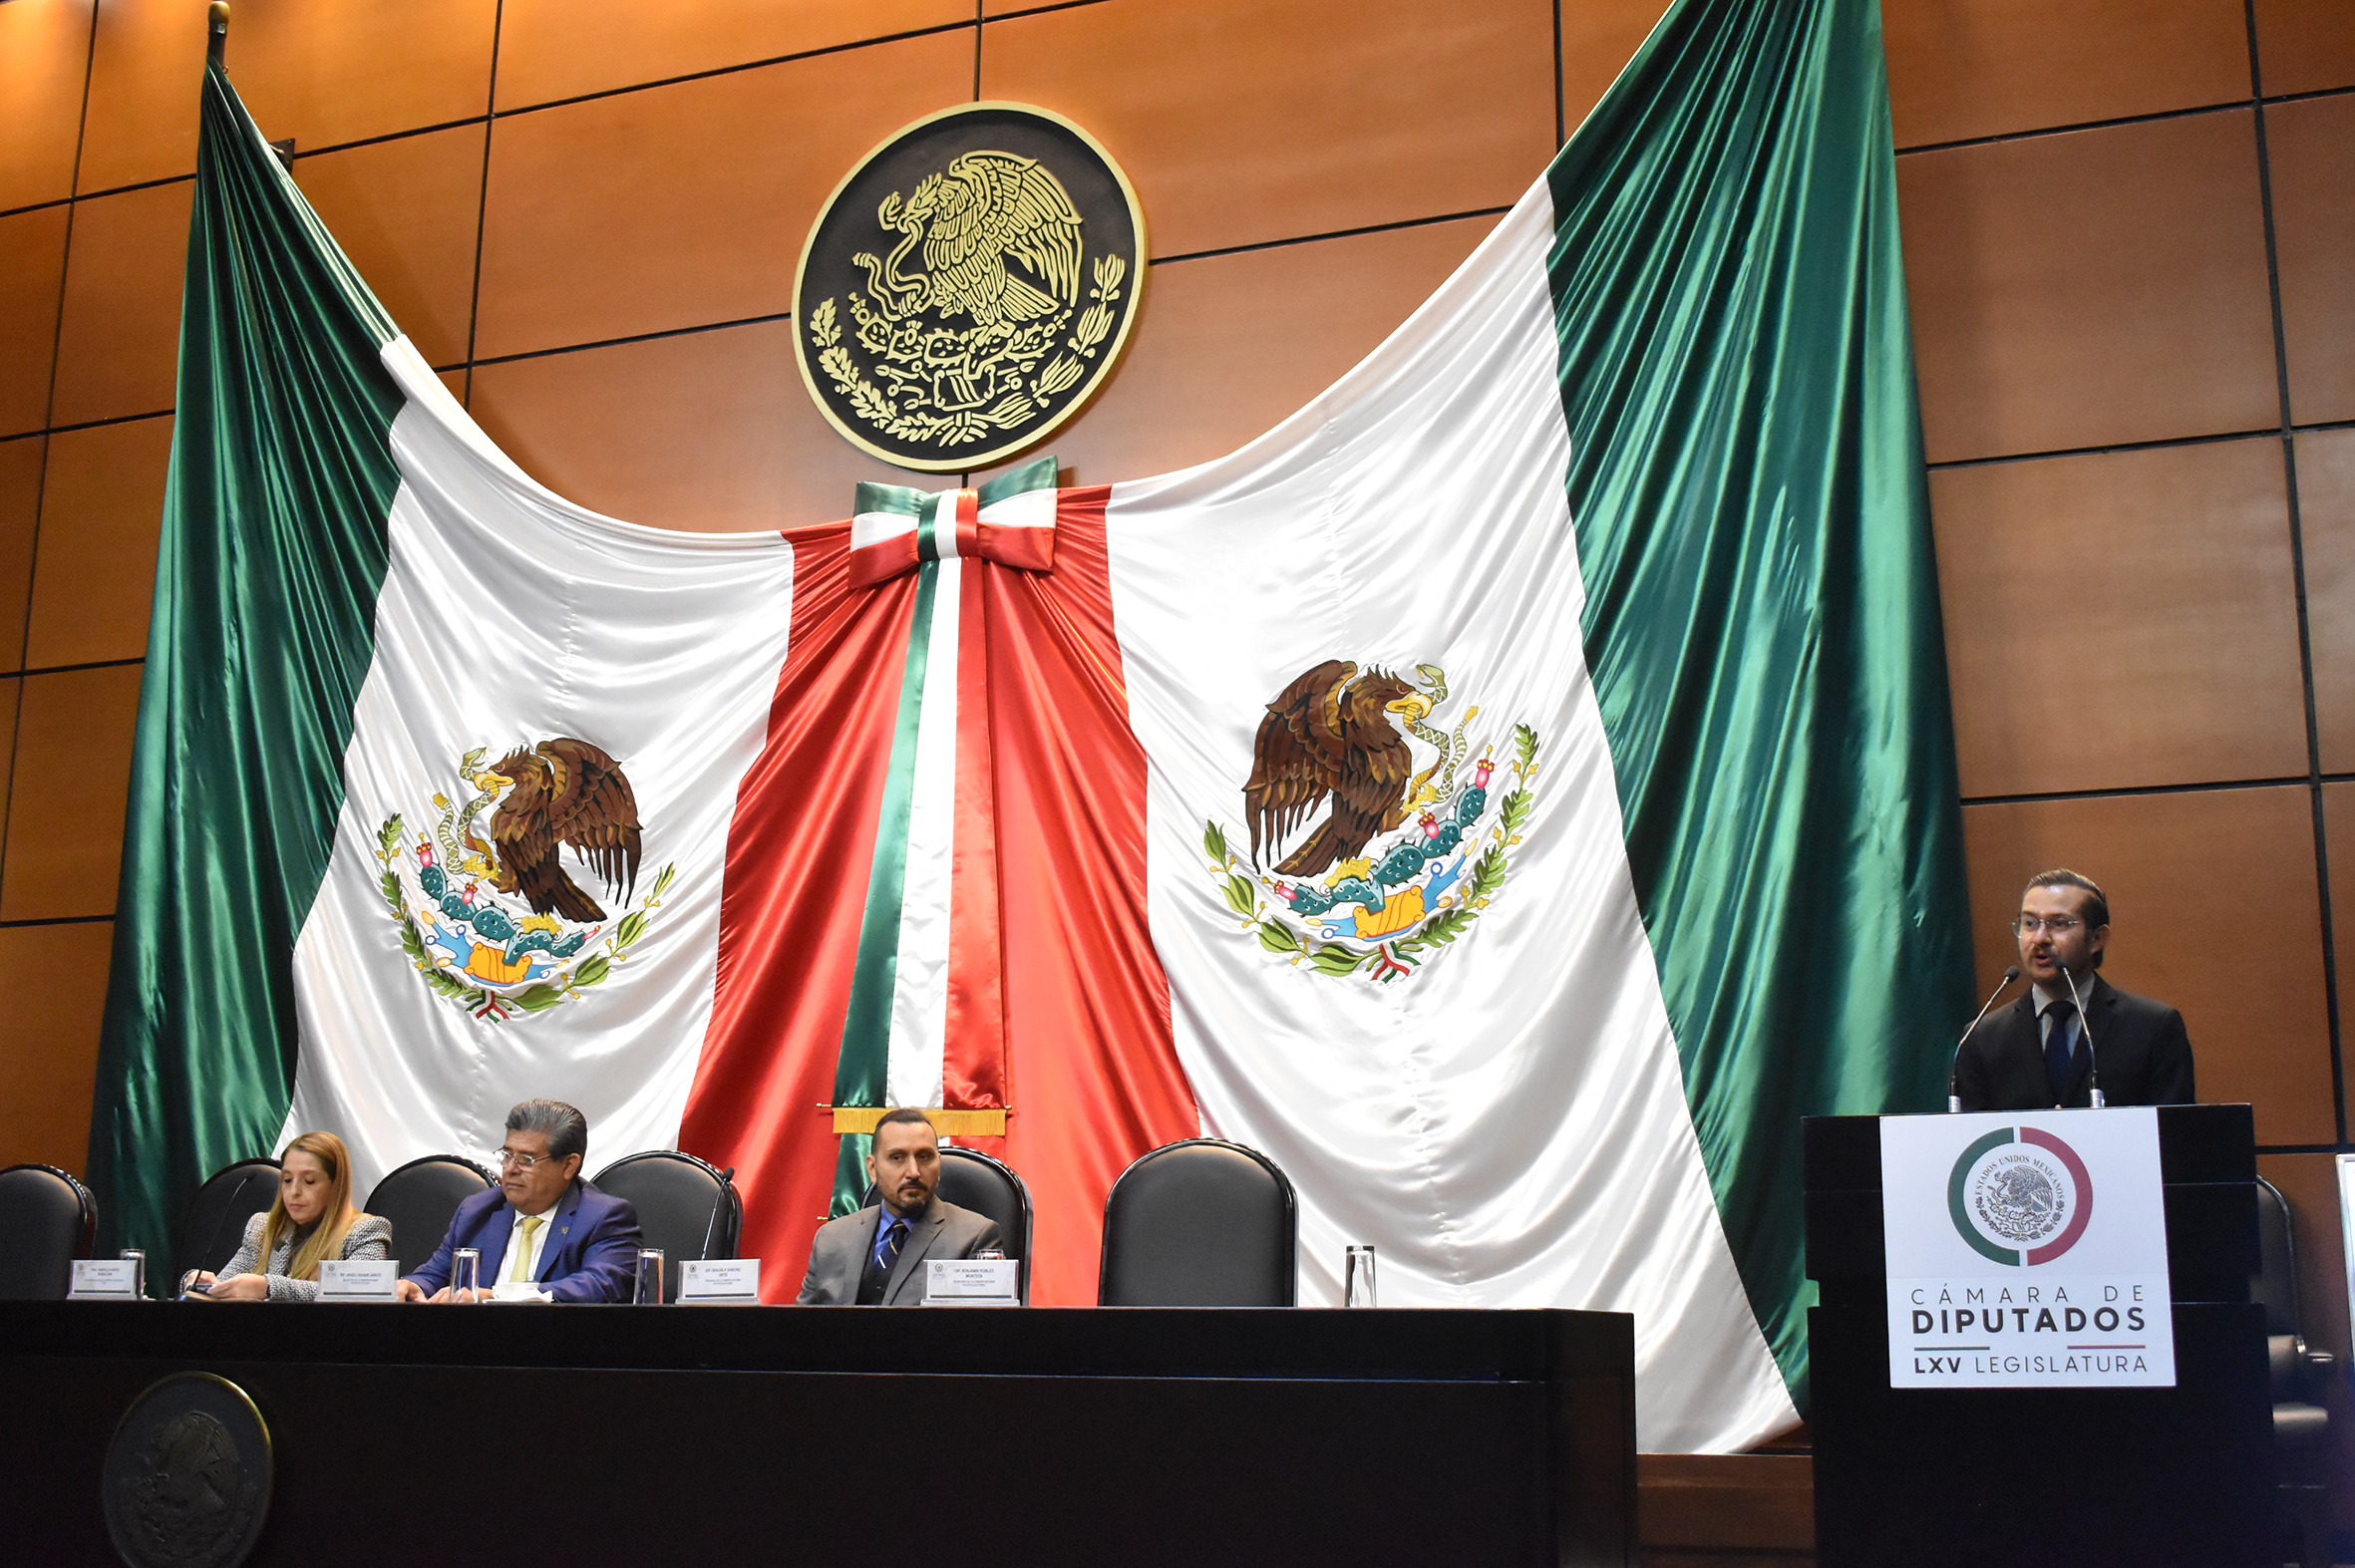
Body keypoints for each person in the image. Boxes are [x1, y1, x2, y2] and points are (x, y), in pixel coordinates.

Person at [1955, 868, 2195, 1111]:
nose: (2040, 938)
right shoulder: (1981, 1038)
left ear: (2097, 939)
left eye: (2059, 923)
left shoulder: (2152, 1028)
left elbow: (2174, 1129)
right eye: (2030, 923)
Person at [396, 1098, 641, 1303]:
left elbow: (599, 1285)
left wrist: (497, 1297)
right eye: (507, 1155)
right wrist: (413, 1285)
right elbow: (436, 1273)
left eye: (526, 1160)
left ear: (569, 1165)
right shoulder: (477, 1211)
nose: (511, 1169)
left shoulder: (603, 1217)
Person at [798, 1107, 1003, 1305]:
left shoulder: (975, 1237)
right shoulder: (831, 1239)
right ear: (872, 1168)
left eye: (924, 1157)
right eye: (897, 1158)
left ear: (938, 1165)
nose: (913, 1172)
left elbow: (981, 1326)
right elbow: (801, 1323)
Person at [184, 1130, 392, 1302]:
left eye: (309, 1181)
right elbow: (225, 1286)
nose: (294, 1192)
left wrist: (268, 1287)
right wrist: (203, 1285)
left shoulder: (366, 1231)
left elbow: (357, 1293)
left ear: (335, 1186)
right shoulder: (262, 1227)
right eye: (287, 1180)